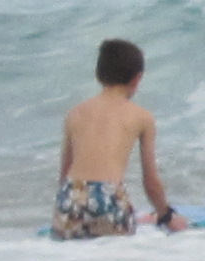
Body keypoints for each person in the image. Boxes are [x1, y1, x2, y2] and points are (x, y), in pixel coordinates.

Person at [53, 38, 184, 237]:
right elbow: (150, 182)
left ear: (98, 74)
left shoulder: (74, 114)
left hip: (71, 199)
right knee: (118, 242)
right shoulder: (142, 117)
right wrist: (166, 215)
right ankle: (148, 219)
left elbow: (64, 175)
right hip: (109, 200)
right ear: (137, 78)